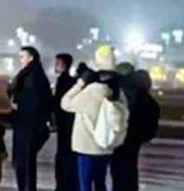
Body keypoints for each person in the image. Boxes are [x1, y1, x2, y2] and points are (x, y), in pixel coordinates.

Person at [61, 45, 125, 191]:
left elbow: (65, 103)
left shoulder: (90, 91)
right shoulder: (117, 94)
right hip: (105, 146)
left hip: (86, 146)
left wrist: (80, 84)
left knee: (85, 185)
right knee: (100, 183)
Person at [9, 46, 53, 191]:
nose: (20, 60)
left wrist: (17, 105)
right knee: (25, 162)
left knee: (25, 162)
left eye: (23, 57)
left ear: (31, 58)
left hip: (28, 126)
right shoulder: (31, 74)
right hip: (27, 125)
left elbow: (32, 102)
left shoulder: (31, 76)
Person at [111, 69, 159, 191]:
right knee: (131, 167)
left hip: (124, 136)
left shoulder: (129, 98)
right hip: (136, 139)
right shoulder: (151, 103)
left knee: (118, 168)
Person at [53, 53, 78, 191]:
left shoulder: (63, 81)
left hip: (64, 122)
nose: (55, 66)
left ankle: (63, 184)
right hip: (67, 122)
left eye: (57, 63)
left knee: (63, 153)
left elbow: (59, 102)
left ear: (63, 65)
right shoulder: (70, 81)